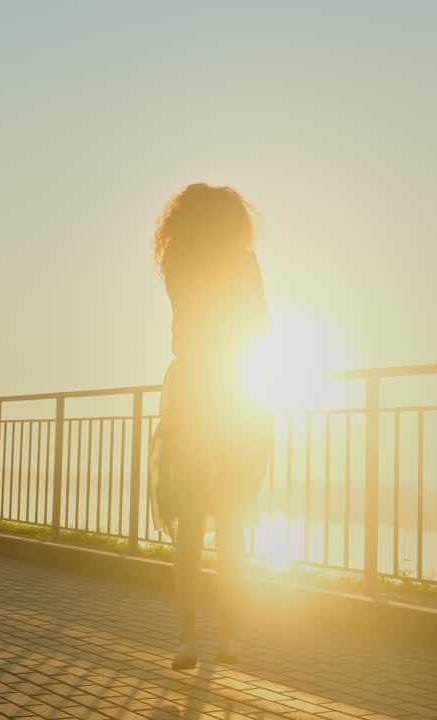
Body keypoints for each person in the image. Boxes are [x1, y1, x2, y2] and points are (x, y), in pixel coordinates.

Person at [152, 183, 271, 670]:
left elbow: (185, 323)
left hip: (189, 393)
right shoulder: (242, 261)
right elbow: (260, 324)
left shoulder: (178, 260)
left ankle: (185, 639)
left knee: (189, 520)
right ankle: (228, 635)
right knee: (231, 517)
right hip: (232, 390)